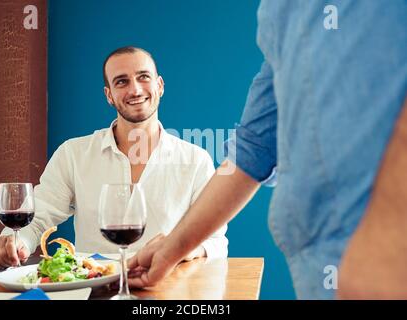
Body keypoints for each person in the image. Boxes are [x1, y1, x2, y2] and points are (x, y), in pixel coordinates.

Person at [127, 1, 407, 299]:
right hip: (319, 271)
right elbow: (254, 149)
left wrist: (390, 240)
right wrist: (172, 249)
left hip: (384, 271)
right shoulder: (280, 10)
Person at [0, 46, 228, 269]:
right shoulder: (73, 154)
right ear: (109, 95)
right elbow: (38, 218)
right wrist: (14, 243)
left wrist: (185, 249)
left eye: (143, 77)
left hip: (168, 287)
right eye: (121, 81)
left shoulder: (196, 160)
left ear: (160, 86)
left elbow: (216, 241)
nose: (135, 89)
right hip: (94, 287)